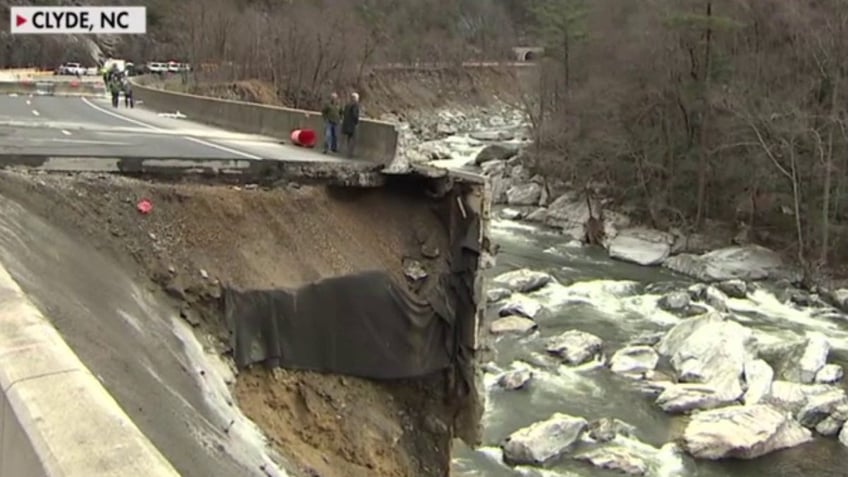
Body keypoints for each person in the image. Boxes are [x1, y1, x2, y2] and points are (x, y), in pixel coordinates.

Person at [341, 92, 360, 158]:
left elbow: (344, 113)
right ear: (355, 98)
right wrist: (356, 121)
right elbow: (355, 114)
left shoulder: (347, 104)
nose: (358, 100)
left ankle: (348, 153)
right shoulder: (355, 105)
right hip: (352, 125)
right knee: (353, 139)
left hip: (346, 124)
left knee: (349, 139)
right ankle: (350, 154)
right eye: (357, 98)